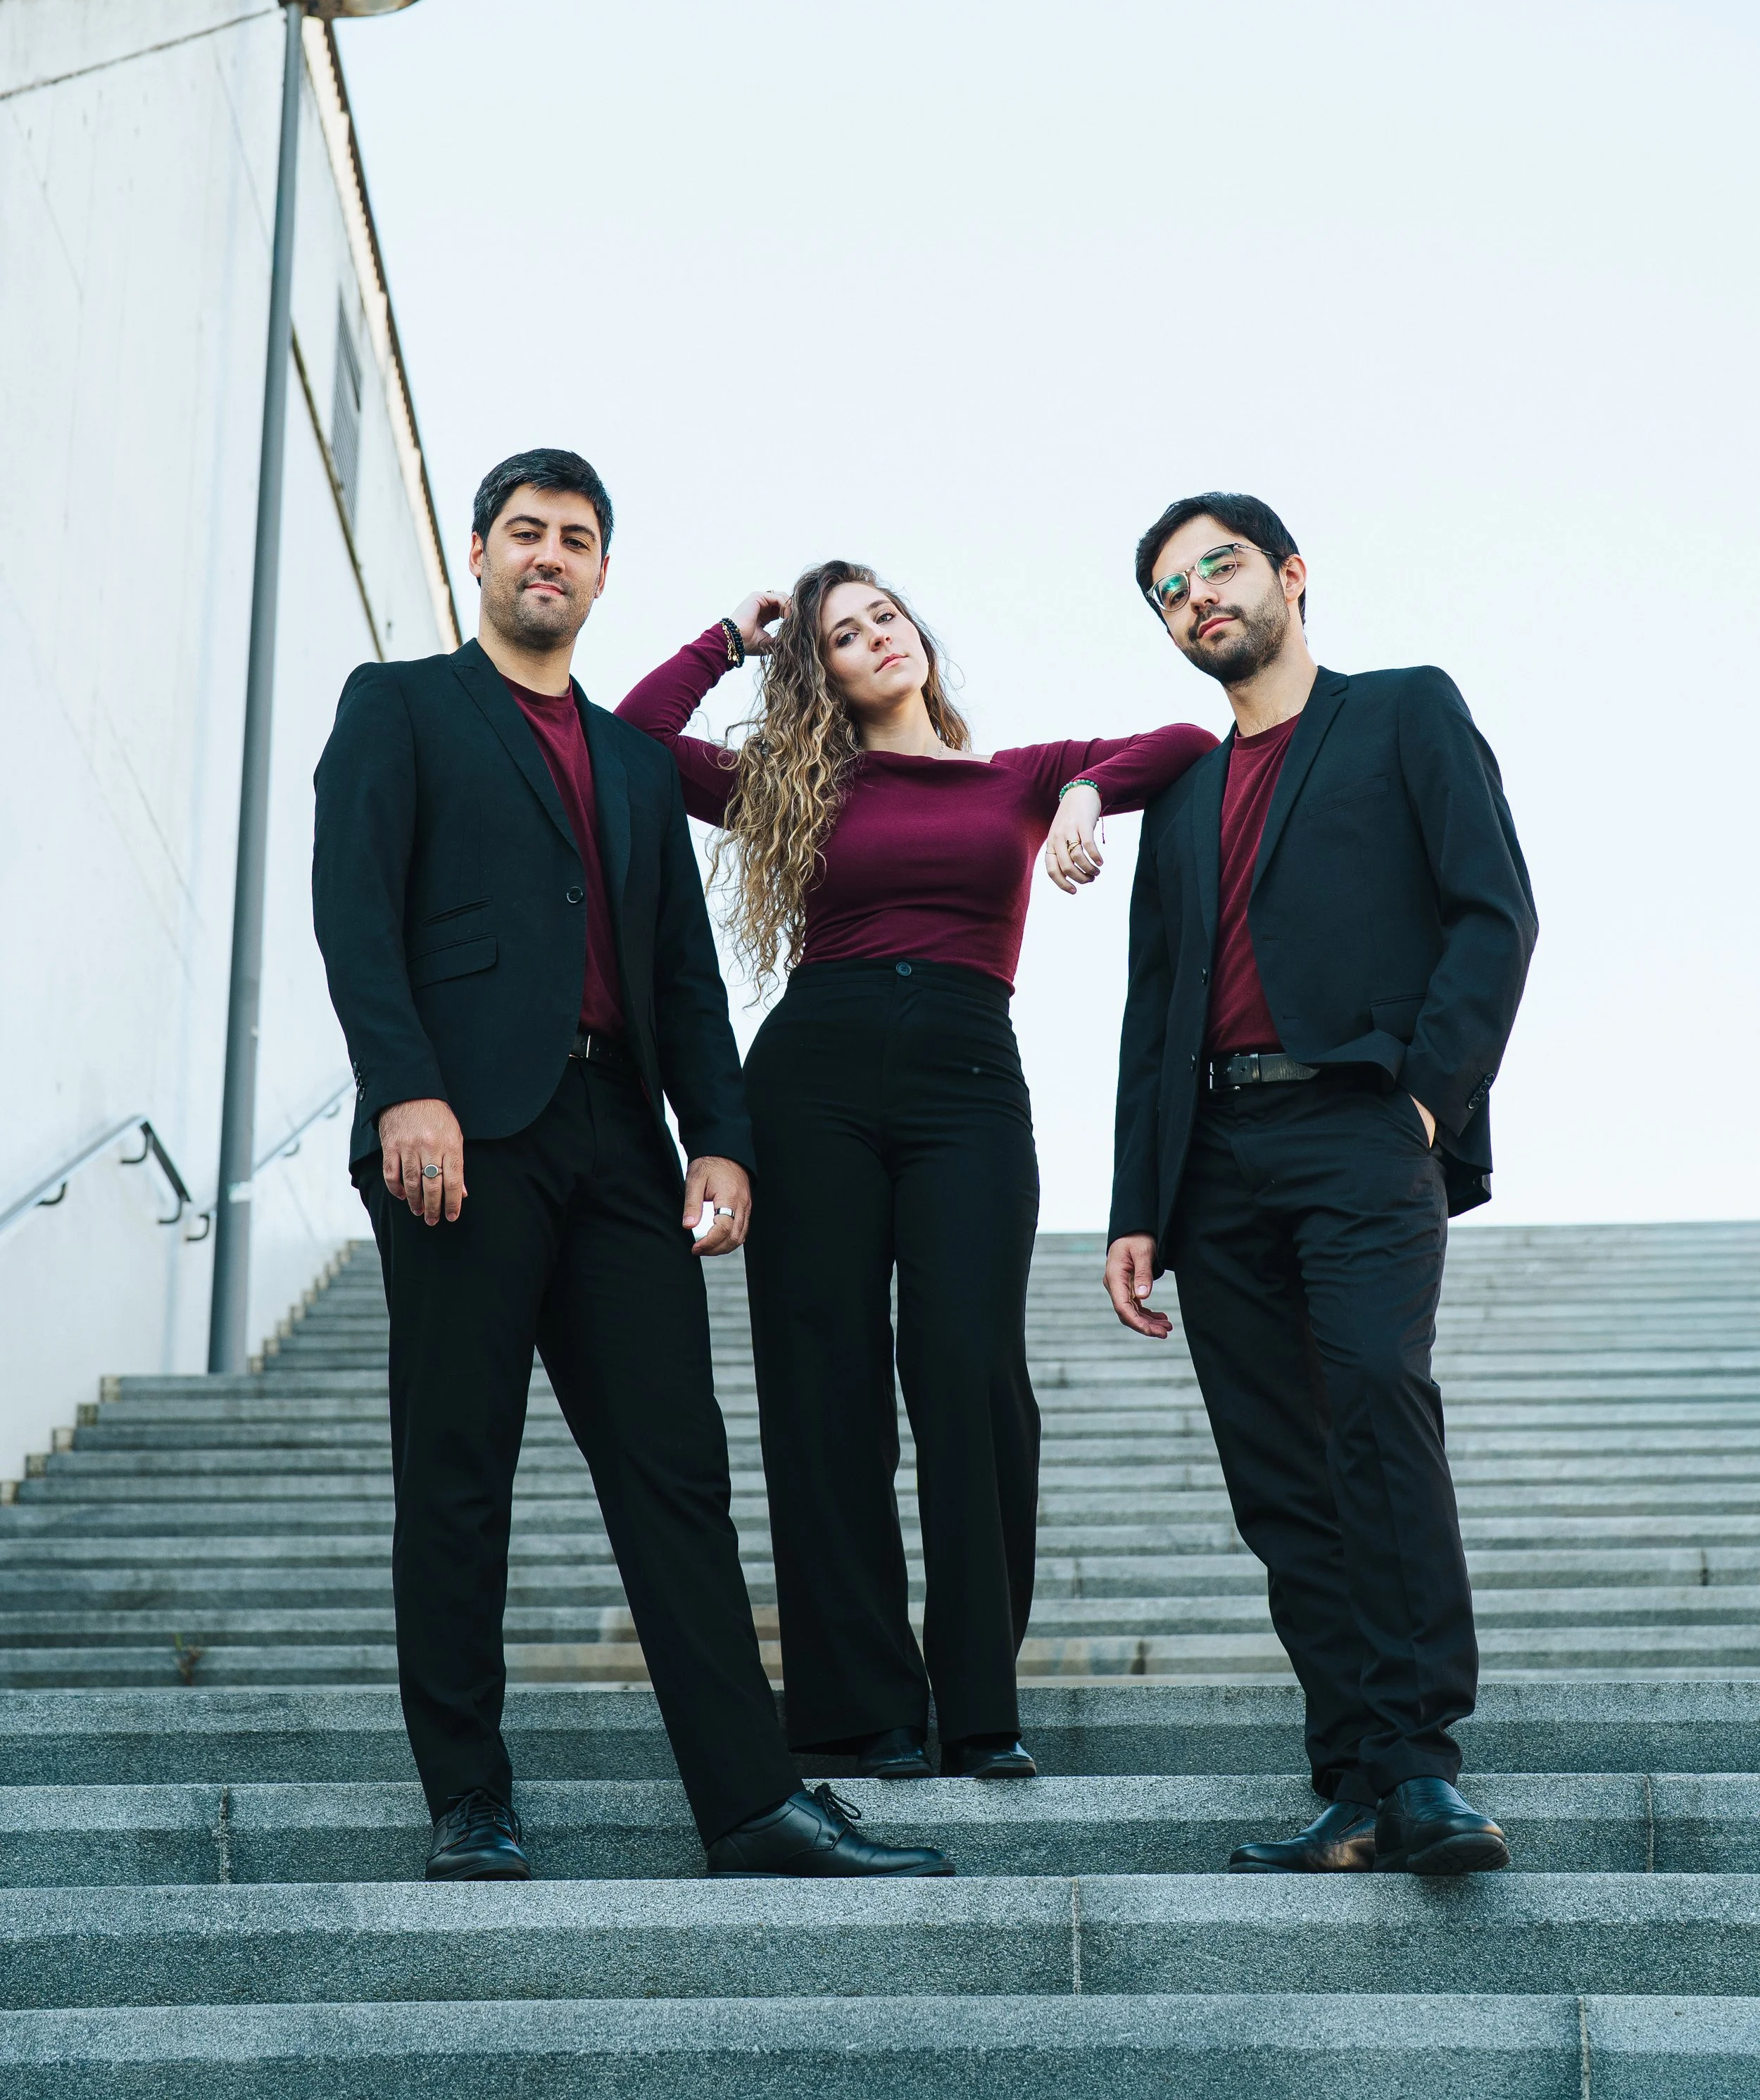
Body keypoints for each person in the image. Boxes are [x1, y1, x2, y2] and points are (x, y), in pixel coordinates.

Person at [312, 451, 950, 1883]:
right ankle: (468, 1798)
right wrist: (405, 1087)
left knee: (678, 1472)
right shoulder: (399, 706)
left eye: (577, 540)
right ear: (478, 554)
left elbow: (681, 971)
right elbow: (355, 914)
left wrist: (718, 1135)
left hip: (621, 1143)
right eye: (525, 532)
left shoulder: (621, 758)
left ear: (602, 574)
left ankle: (750, 1802)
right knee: (457, 1468)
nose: (550, 556)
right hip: (460, 1138)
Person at [617, 569, 1214, 1780]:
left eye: (884, 615)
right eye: (842, 634)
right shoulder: (795, 786)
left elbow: (1190, 741)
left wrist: (1089, 794)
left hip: (968, 1087)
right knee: (821, 1385)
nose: (874, 637)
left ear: (919, 637)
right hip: (811, 1082)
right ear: (821, 673)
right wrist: (731, 639)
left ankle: (980, 1706)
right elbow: (628, 748)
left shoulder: (1019, 778)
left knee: (970, 1375)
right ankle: (857, 1714)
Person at [1074, 491, 1536, 1877]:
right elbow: (1153, 1008)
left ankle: (1418, 1769)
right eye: (1167, 589)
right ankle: (1346, 1778)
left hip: (1355, 1120)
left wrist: (1418, 1097)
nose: (1195, 596)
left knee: (1376, 1415)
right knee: (1276, 1477)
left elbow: (1492, 911)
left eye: (1215, 566)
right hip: (1212, 1163)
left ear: (1286, 574)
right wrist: (1134, 1208)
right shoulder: (1187, 796)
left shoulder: (1402, 711)